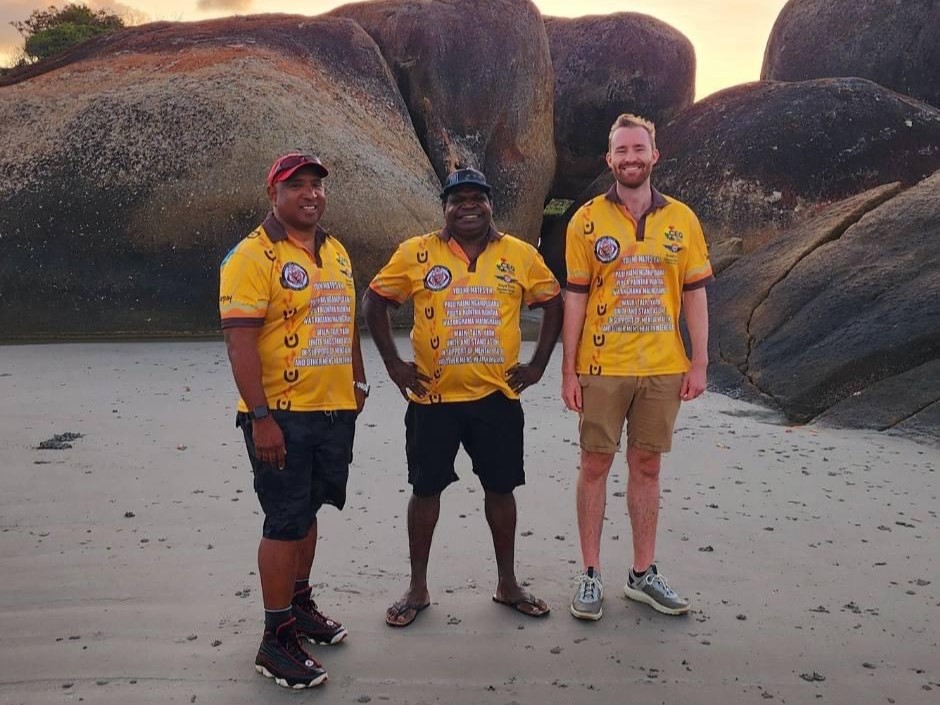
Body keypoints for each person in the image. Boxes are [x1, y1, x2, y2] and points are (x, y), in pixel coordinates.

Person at [363, 167, 563, 627]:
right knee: (425, 490)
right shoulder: (415, 252)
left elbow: (552, 302)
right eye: (458, 199)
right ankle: (417, 587)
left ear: (491, 203)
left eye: (477, 197)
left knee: (501, 489)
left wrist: (538, 365)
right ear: (445, 208)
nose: (468, 206)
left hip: (497, 398)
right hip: (432, 400)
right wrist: (393, 364)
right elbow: (374, 300)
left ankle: (507, 583)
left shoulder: (520, 254)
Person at [219, 152, 368, 688]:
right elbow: (239, 343)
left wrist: (358, 380)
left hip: (333, 410)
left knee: (309, 510)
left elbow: (345, 318)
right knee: (284, 521)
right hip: (280, 414)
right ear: (273, 195)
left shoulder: (337, 250)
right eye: (297, 185)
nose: (310, 194)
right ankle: (275, 637)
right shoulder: (252, 256)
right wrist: (260, 417)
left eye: (317, 185)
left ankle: (299, 603)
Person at [562, 114, 713, 621]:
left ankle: (642, 574)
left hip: (664, 367)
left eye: (639, 149)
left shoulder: (683, 220)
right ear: (610, 159)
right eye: (621, 150)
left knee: (647, 467)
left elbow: (694, 293)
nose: (631, 158)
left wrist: (700, 360)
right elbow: (575, 299)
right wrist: (568, 370)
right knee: (595, 466)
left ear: (655, 155)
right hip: (603, 365)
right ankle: (589, 574)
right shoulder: (584, 220)